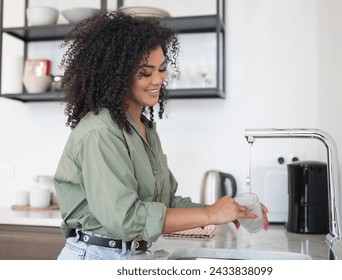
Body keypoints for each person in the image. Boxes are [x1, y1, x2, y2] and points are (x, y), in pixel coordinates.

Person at [54, 10, 269, 260]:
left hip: (132, 255)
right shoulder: (100, 132)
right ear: (116, 73)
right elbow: (126, 219)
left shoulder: (144, 129)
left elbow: (166, 204)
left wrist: (229, 210)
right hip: (96, 258)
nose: (158, 79)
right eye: (145, 72)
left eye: (163, 68)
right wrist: (211, 215)